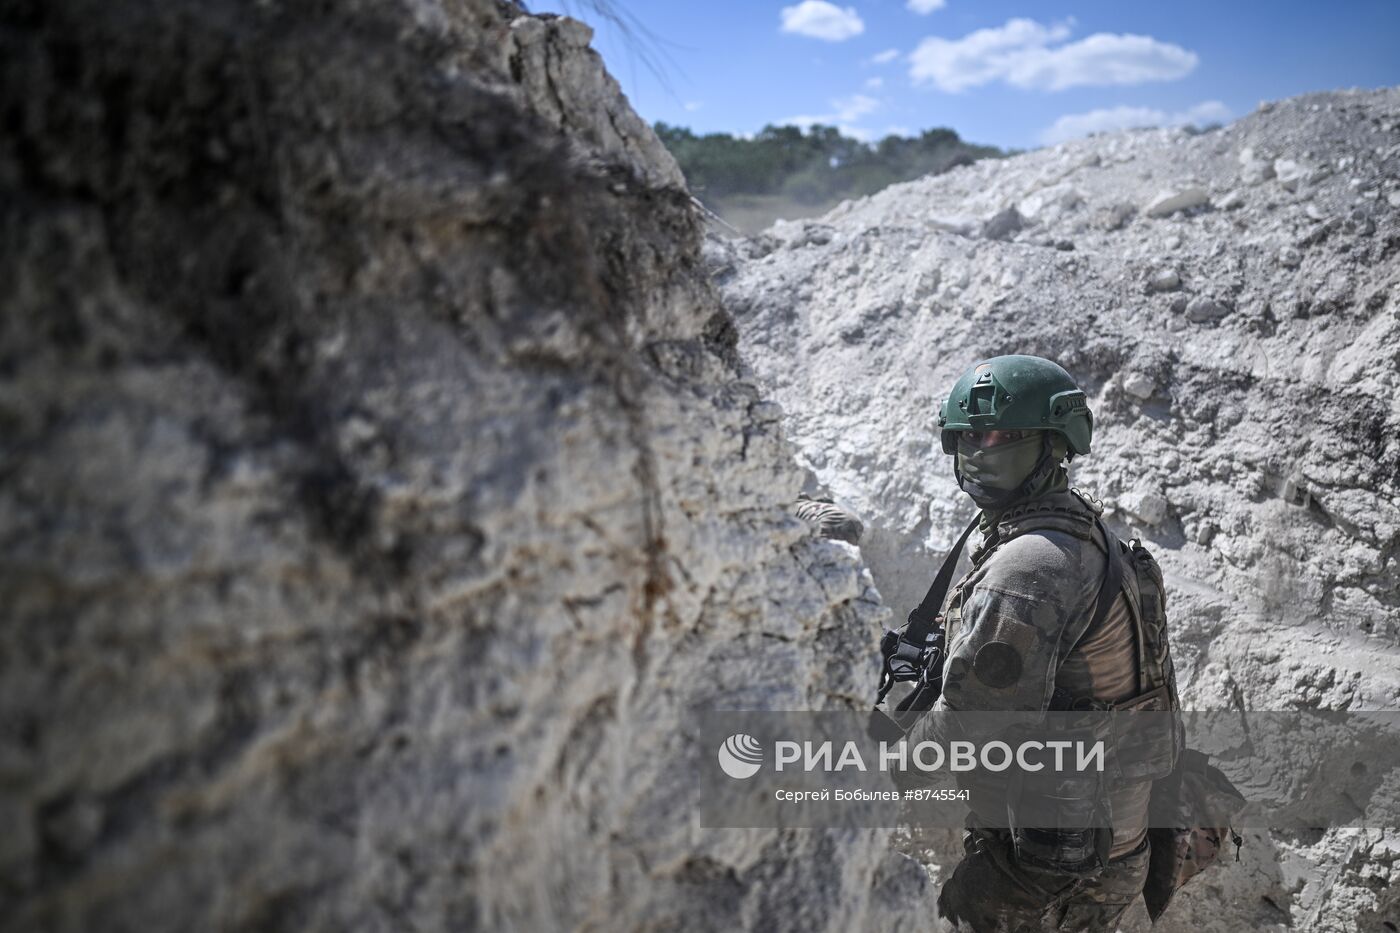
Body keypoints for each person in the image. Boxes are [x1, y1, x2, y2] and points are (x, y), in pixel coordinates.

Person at [907, 355, 1179, 932]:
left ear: (1055, 445)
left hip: (1056, 866)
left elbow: (969, 722)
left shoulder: (1031, 564)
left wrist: (867, 774)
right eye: (969, 435)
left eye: (1006, 435)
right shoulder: (1075, 527)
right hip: (1097, 842)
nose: (981, 450)